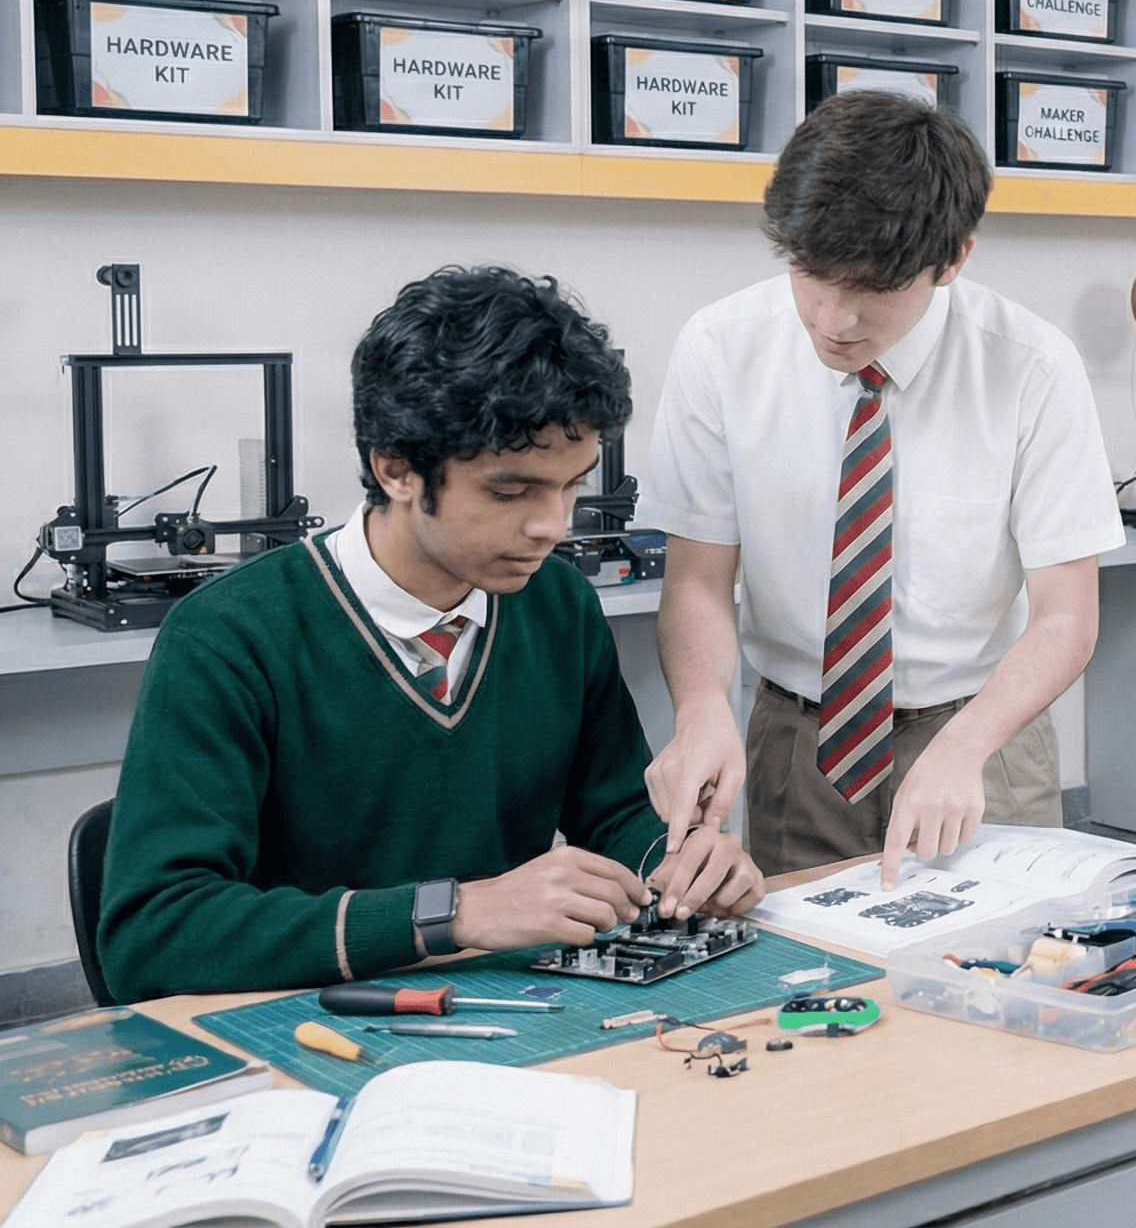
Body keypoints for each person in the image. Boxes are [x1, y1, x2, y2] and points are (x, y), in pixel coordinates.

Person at [97, 268, 764, 1003]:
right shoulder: (228, 637)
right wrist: (455, 912)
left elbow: (611, 812)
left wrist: (679, 861)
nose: (552, 526)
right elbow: (153, 936)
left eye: (571, 485)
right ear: (396, 469)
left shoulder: (557, 603)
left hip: (502, 1010)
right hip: (298, 1028)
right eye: (511, 492)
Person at [644, 91, 1122, 883]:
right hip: (796, 740)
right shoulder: (721, 348)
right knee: (815, 986)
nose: (833, 317)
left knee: (997, 977)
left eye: (870, 288)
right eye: (811, 276)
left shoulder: (1031, 366)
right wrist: (700, 711)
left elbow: (1067, 616)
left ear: (953, 259)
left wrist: (965, 748)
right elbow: (696, 580)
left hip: (982, 733)